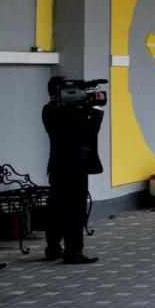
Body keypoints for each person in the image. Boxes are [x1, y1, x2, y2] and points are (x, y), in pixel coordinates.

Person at [43, 77, 106, 264]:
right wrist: (96, 108)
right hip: (75, 168)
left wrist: (86, 105)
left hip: (57, 167)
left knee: (56, 208)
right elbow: (89, 129)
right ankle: (73, 251)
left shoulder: (49, 109)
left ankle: (53, 247)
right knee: (75, 209)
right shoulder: (69, 113)